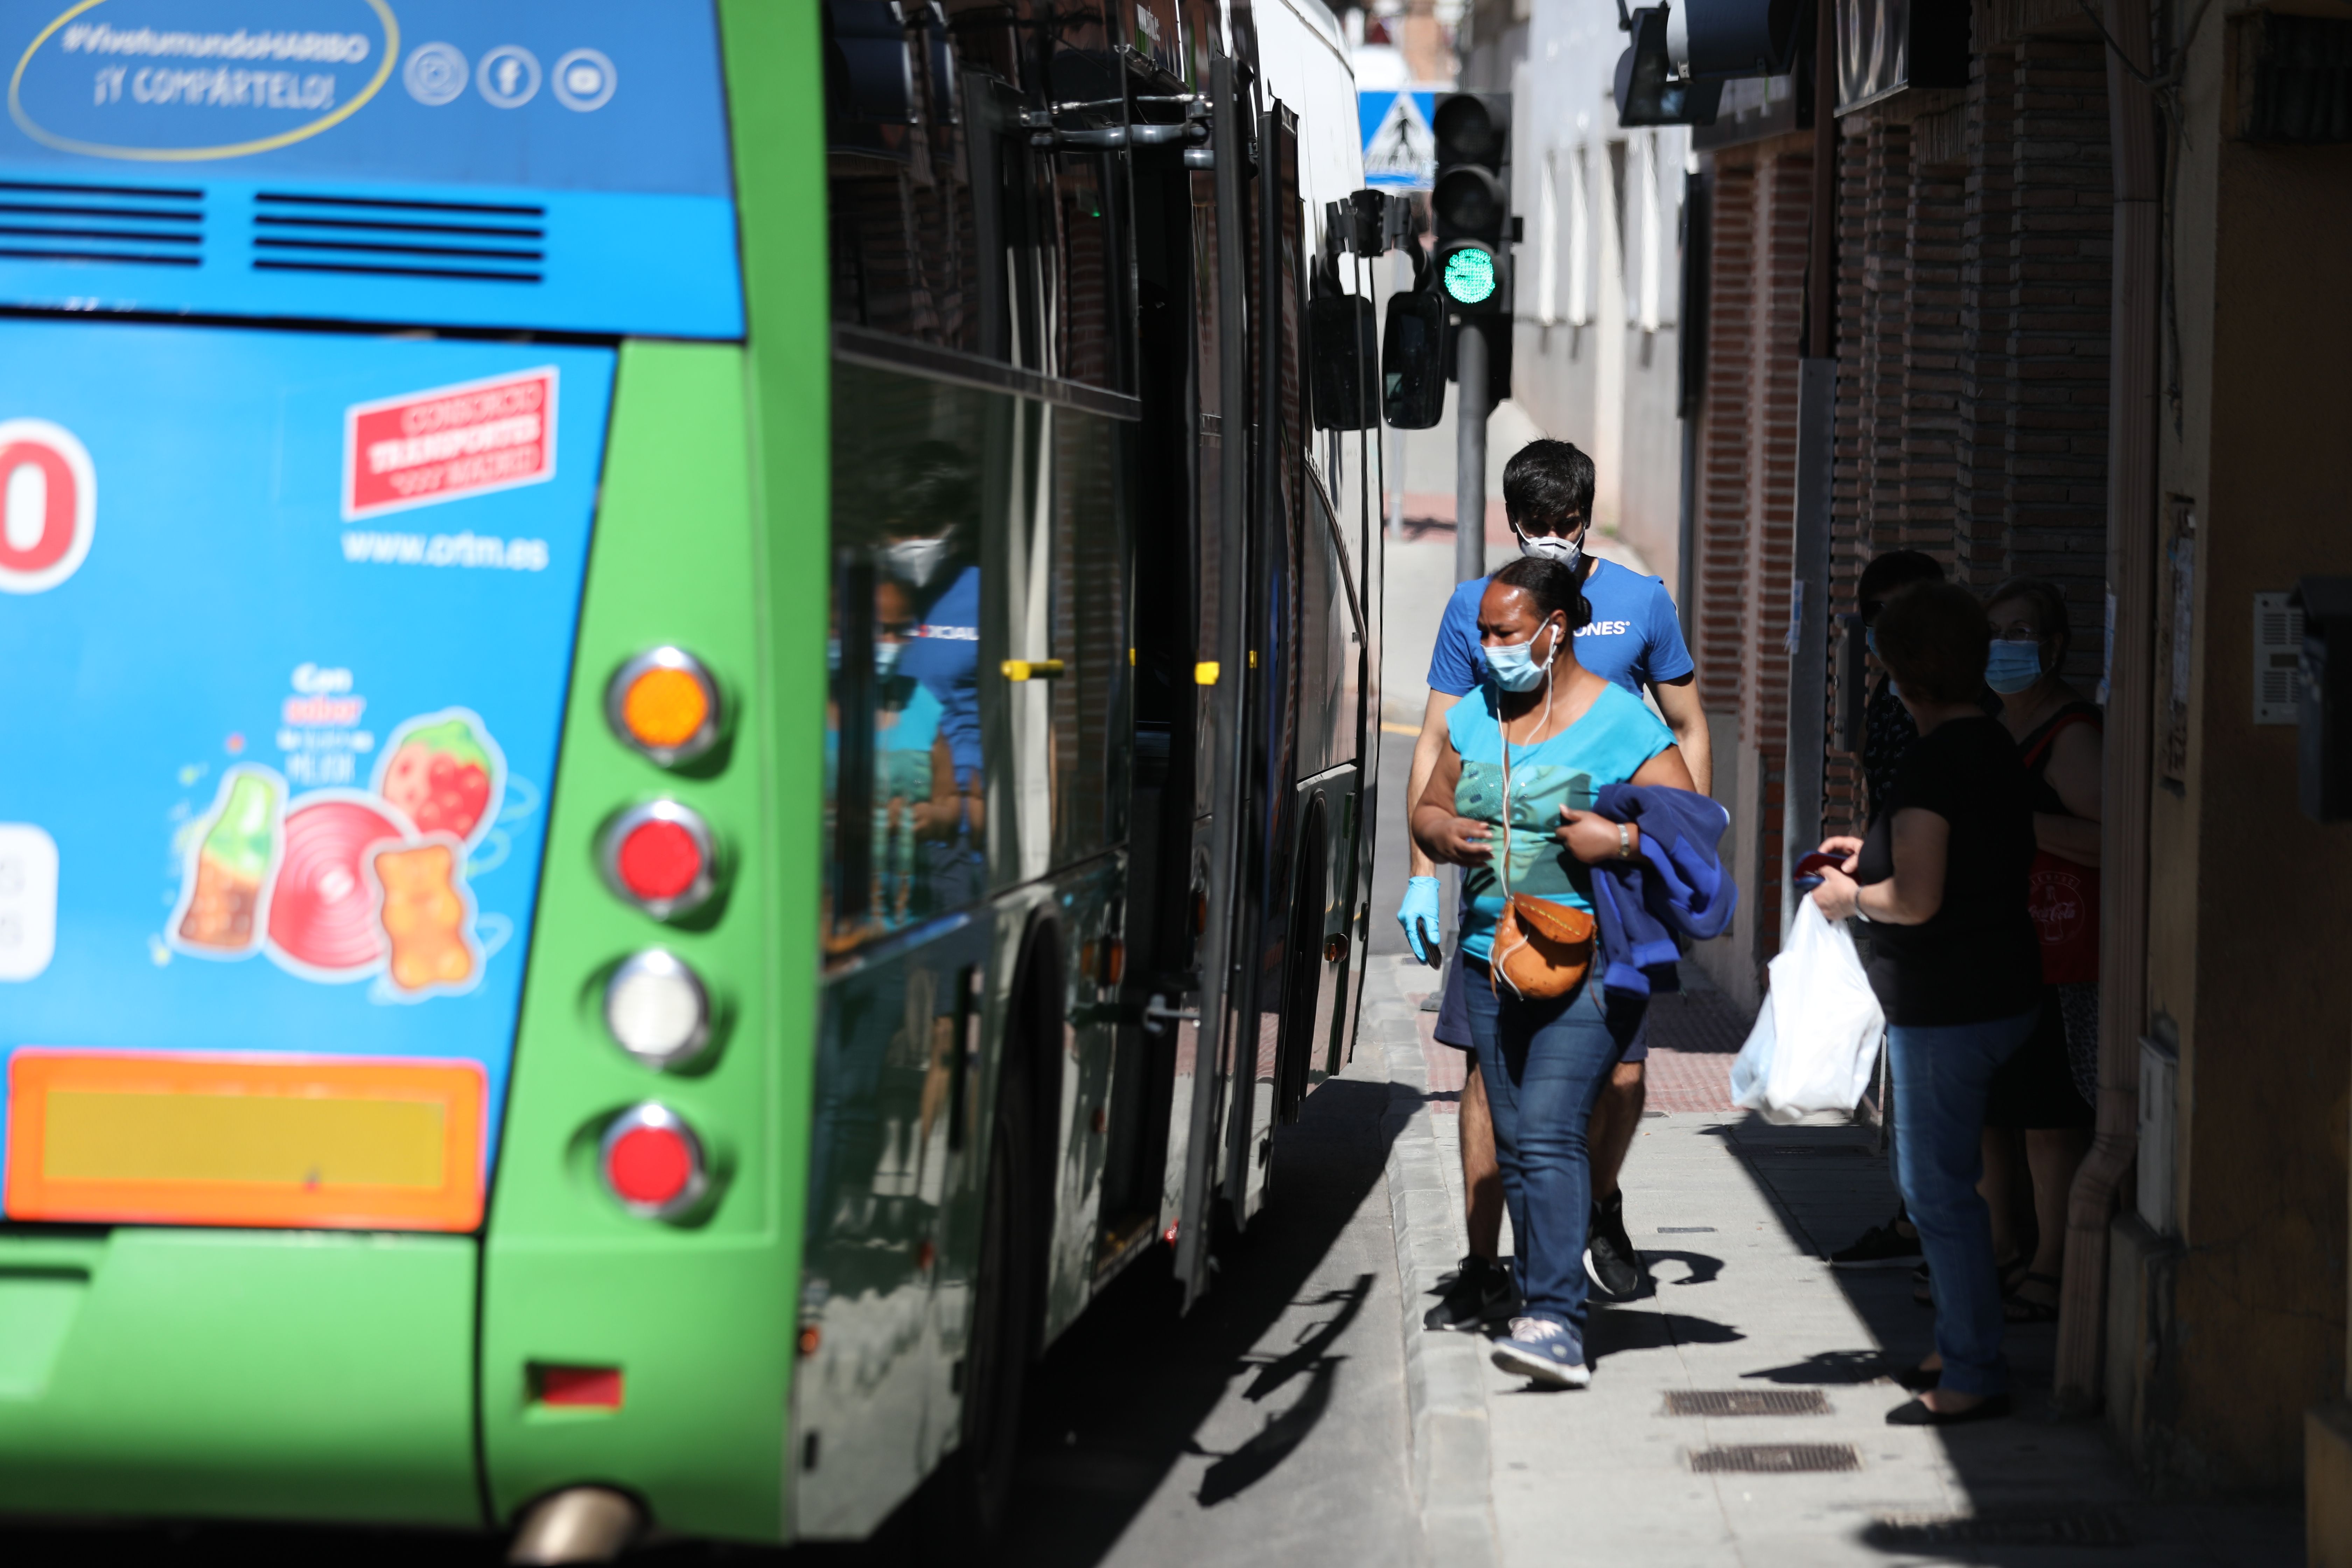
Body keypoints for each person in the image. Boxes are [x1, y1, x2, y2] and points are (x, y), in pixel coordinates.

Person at [1404, 440, 1708, 1326]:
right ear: (1512, 522)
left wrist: (1670, 854)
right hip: (1503, 891)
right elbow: (1438, 742)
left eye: (1564, 525)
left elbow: (1687, 727)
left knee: (1619, 1081)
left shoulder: (1639, 603)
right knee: (1487, 1086)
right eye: (1532, 525)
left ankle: (1597, 1205)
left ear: (1586, 517)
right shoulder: (1481, 607)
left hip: (1611, 891)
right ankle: (1482, 1264)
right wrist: (1424, 874)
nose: (1549, 539)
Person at [1807, 579, 2044, 1425]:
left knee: (1937, 1191)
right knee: (1960, 1186)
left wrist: (1849, 896)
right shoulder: (1994, 742)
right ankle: (1958, 1336)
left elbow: (1917, 897)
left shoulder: (1935, 758)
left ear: (1904, 678)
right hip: (2004, 984)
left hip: (1949, 1002)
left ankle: (1974, 1367)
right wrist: (1867, 849)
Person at [1978, 576, 2102, 1324]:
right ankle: (2005, 1250)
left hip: (2067, 955)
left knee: (2052, 1120)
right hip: (2009, 952)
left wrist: (2021, 824)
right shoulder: (1999, 727)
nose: (2003, 648)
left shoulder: (2073, 735)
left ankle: (2055, 1262)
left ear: (2054, 647)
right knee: (2002, 1110)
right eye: (1993, 632)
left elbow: (2113, 838)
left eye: (2020, 633)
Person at [1826, 549, 1945, 1271]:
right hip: (1897, 904)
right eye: (1878, 617)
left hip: (1933, 924)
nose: (1892, 630)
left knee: (1937, 1094)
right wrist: (1866, 849)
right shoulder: (1888, 696)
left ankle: (1940, 1235)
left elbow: (1926, 837)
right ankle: (1915, 1216)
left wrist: (1863, 888)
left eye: (1910, 611)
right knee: (1909, 1072)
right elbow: (1893, 805)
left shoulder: (1953, 718)